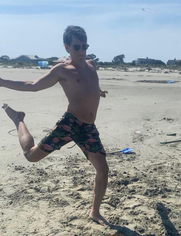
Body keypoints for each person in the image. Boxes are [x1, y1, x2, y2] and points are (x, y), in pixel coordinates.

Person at [1, 25, 109, 225]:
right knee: (31, 156)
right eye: (77, 46)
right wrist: (1, 81)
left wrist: (98, 92)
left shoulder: (92, 64)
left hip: (88, 128)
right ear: (67, 47)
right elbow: (32, 86)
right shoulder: (62, 70)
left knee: (103, 169)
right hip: (70, 123)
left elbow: (88, 85)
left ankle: (94, 211)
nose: (82, 51)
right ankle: (19, 119)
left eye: (85, 45)